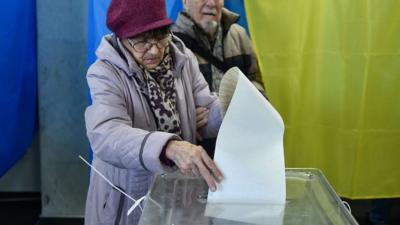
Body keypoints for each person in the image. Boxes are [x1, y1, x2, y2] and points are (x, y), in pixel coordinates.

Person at [84, 0, 223, 224]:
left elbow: (205, 112)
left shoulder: (183, 59)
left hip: (178, 194)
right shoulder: (104, 73)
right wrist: (168, 146)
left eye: (161, 36)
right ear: (122, 38)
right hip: (128, 199)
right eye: (141, 42)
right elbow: (106, 134)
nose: (155, 50)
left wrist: (229, 108)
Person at [172, 0, 264, 156]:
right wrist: (185, 120)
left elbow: (257, 83)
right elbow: (163, 102)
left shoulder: (239, 35)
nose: (211, 3)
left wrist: (243, 103)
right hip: (196, 152)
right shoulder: (173, 45)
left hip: (240, 144)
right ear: (186, 2)